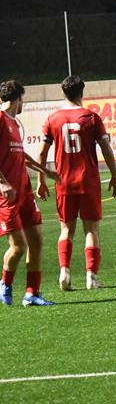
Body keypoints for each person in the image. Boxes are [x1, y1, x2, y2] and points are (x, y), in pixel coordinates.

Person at [36, 75, 116, 291]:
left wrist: (41, 179)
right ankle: (91, 277)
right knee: (91, 229)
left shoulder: (53, 118)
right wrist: (114, 175)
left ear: (63, 93)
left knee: (66, 229)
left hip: (63, 182)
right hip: (88, 180)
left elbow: (42, 153)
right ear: (82, 92)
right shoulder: (91, 117)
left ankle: (64, 272)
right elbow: (106, 148)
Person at [1, 80, 62, 306]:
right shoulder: (0, 119)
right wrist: (2, 183)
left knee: (36, 240)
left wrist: (45, 171)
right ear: (18, 99)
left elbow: (20, 155)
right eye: (22, 100)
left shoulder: (14, 123)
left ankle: (32, 293)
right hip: (6, 195)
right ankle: (5, 283)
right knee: (19, 247)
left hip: (24, 192)